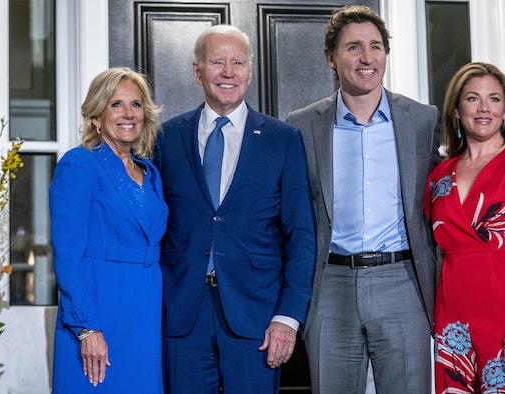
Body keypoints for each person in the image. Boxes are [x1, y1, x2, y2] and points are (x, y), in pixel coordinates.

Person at [286, 5, 441, 393]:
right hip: (331, 283)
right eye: (354, 47)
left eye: (375, 46)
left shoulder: (421, 120)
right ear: (331, 58)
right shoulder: (301, 125)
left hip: (402, 280)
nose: (367, 58)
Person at [154, 24, 316, 393]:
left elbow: (301, 235)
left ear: (250, 70)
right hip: (182, 315)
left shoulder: (282, 139)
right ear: (197, 71)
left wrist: (288, 317)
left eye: (238, 62)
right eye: (217, 62)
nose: (228, 72)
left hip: (256, 315)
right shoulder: (166, 138)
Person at [424, 62, 505, 393]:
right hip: (452, 318)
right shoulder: (439, 177)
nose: (484, 108)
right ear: (456, 109)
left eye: (494, 99)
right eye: (472, 99)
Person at [49, 67, 168, 393]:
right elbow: (68, 254)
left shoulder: (150, 172)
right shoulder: (78, 165)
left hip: (144, 306)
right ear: (97, 117)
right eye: (116, 104)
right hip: (99, 307)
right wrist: (86, 327)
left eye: (136, 104)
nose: (128, 114)